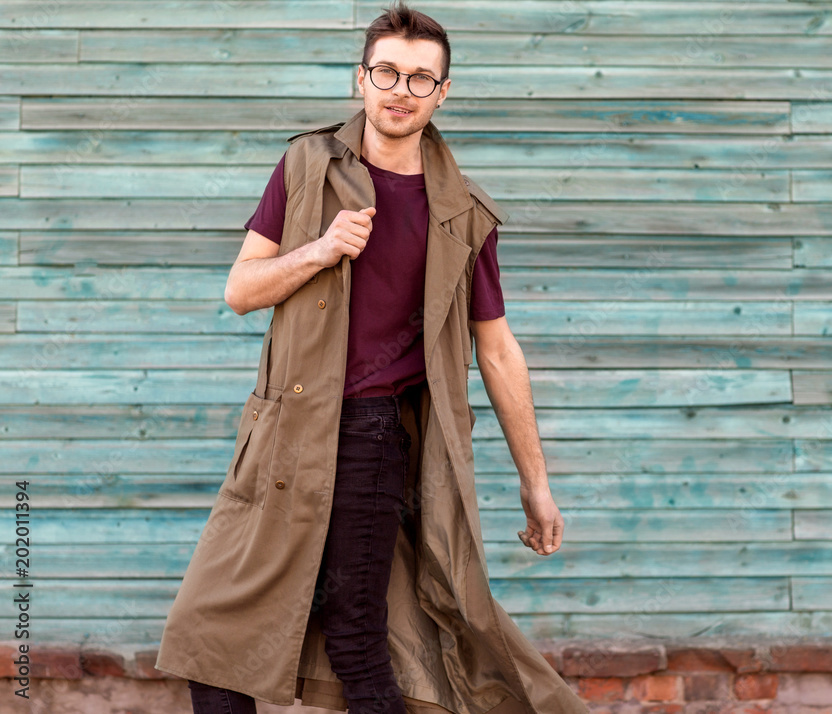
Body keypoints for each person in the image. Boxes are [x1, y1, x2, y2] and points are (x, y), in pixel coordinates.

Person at [154, 3, 588, 713]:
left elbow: (499, 351)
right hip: (283, 436)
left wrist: (536, 483)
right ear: (361, 78)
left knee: (359, 638)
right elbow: (240, 290)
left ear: (443, 94)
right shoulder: (304, 165)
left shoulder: (464, 214)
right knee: (213, 637)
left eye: (422, 78)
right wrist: (321, 250)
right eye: (387, 71)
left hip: (374, 436)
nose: (401, 89)